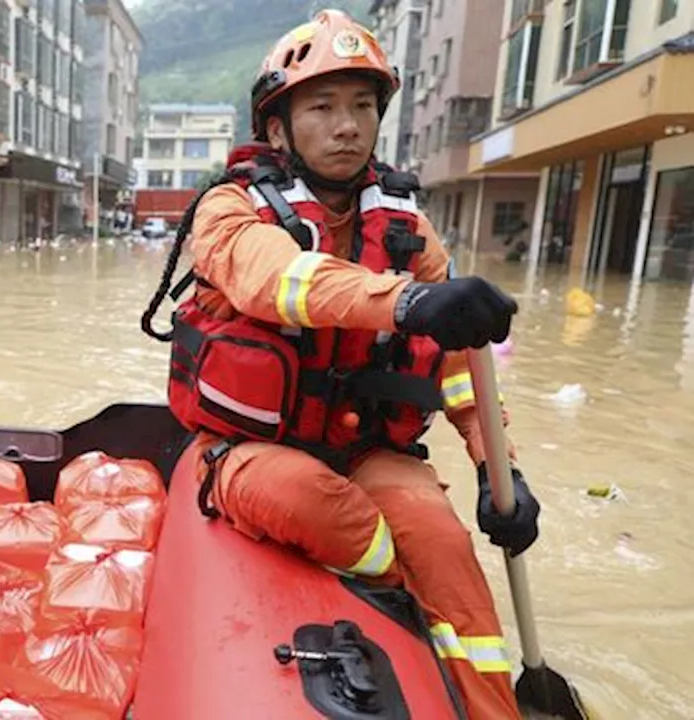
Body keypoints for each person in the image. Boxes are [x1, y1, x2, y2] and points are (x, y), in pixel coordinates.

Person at [141, 10, 539, 719]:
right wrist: (407, 301)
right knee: (317, 504)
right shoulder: (231, 212)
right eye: (322, 106)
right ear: (276, 128)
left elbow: (458, 373)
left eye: (362, 106)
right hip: (253, 449)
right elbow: (279, 282)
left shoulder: (408, 230)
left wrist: (498, 469)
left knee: (446, 541)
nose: (347, 125)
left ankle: (490, 705)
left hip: (367, 446)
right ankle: (395, 587)